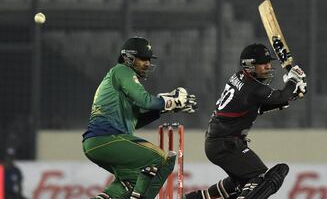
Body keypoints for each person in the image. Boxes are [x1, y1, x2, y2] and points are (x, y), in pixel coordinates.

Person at [185, 43, 307, 199]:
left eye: (269, 62)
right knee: (263, 179)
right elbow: (280, 97)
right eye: (263, 64)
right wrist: (293, 82)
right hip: (225, 143)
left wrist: (292, 93)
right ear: (249, 65)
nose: (268, 66)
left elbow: (258, 107)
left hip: (218, 142)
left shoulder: (238, 77)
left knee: (242, 184)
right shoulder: (254, 88)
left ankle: (196, 198)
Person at [82, 36, 197, 199]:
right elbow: (145, 101)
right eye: (143, 59)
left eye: (149, 59)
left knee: (131, 182)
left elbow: (136, 121)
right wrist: (169, 101)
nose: (147, 63)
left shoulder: (122, 84)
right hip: (106, 139)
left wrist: (164, 108)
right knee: (162, 160)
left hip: (97, 143)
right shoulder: (122, 71)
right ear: (128, 57)